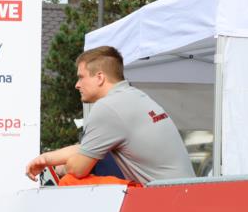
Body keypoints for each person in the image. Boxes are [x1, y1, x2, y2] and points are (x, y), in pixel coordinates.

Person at [25, 46, 194, 186]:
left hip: (164, 199)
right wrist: (46, 159)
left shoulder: (107, 107)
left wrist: (62, 167)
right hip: (183, 192)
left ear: (100, 77)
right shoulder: (134, 96)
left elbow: (77, 169)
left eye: (81, 77)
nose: (77, 85)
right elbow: (88, 147)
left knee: (71, 181)